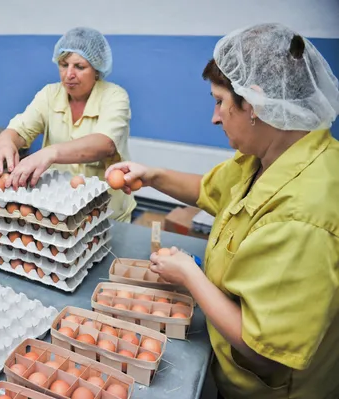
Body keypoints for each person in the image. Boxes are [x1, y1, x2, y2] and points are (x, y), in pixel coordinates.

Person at [107, 23, 339, 398]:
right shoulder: (271, 156)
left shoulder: (304, 214)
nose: (215, 117)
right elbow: (212, 190)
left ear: (255, 103)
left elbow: (265, 352)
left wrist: (189, 275)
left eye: (220, 101)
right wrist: (152, 175)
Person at [0, 27, 136, 222]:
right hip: (58, 213)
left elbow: (105, 143)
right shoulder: (50, 95)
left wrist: (50, 153)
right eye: (63, 64)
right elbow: (18, 130)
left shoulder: (115, 96)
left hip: (105, 213)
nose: (69, 74)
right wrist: (5, 143)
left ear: (97, 70)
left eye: (80, 66)